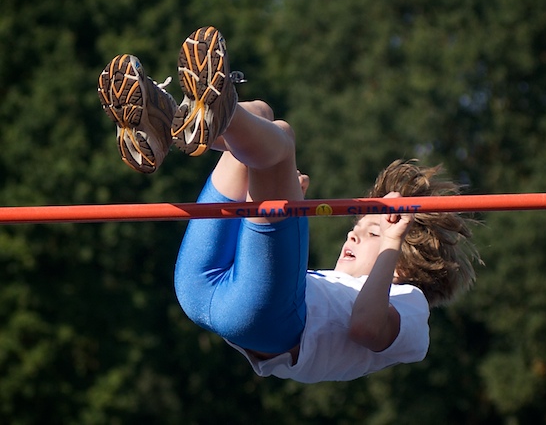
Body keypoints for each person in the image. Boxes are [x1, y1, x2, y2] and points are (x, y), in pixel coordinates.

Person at [98, 26, 479, 383]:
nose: (352, 235)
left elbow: (364, 327)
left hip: (263, 317)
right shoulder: (329, 284)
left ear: (401, 267)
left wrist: (393, 242)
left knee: (281, 144)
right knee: (262, 115)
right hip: (201, 287)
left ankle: (207, 116)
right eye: (359, 228)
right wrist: (283, 195)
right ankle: (165, 119)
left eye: (372, 232)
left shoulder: (410, 303)